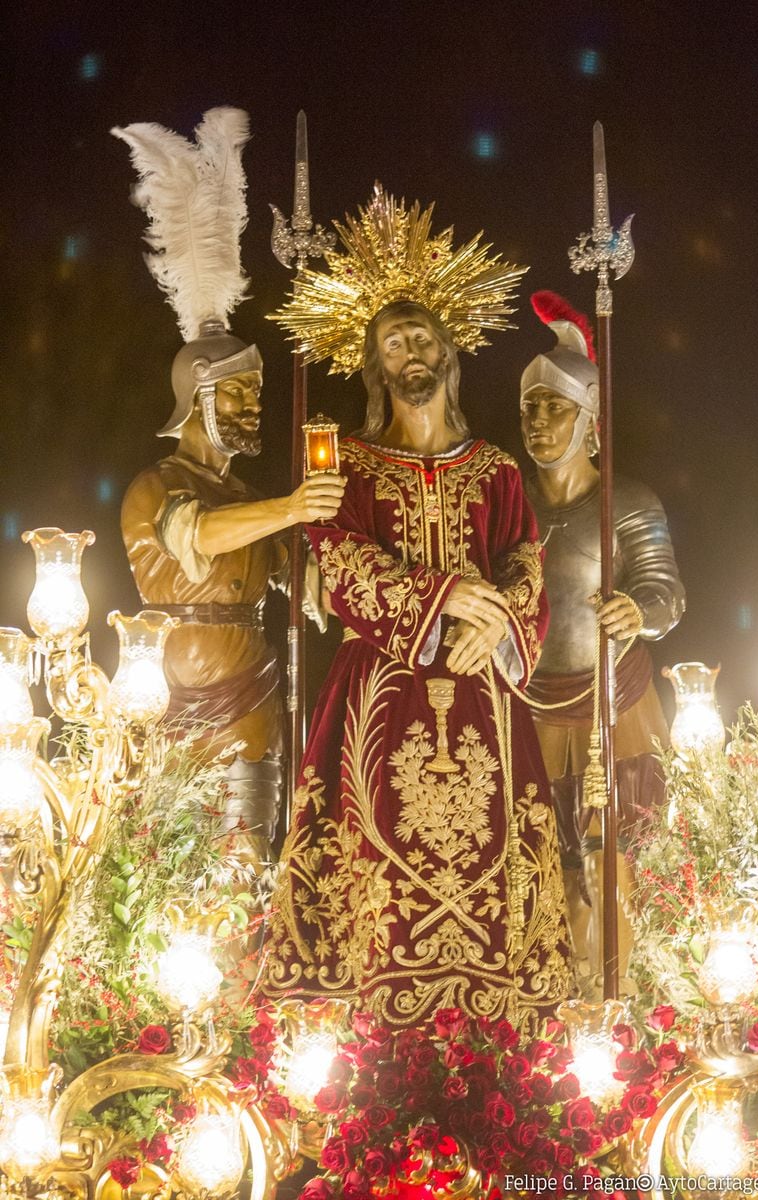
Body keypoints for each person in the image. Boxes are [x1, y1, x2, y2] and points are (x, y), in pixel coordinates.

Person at [262, 187, 573, 1030]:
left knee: (497, 859)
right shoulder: (349, 463)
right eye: (394, 340)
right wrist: (442, 599)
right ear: (377, 365)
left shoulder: (498, 468)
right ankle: (362, 1040)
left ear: (448, 355)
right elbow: (337, 554)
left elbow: (527, 565)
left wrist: (496, 621)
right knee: (370, 857)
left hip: (482, 695)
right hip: (379, 690)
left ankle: (499, 1044)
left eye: (423, 336)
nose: (411, 349)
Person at [114, 110, 344, 853]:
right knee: (169, 872)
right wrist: (289, 507)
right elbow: (198, 538)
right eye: (237, 395)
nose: (252, 407)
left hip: (253, 703)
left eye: (255, 394)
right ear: (196, 397)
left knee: (250, 864)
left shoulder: (253, 501)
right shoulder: (156, 486)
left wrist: (323, 555)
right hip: (173, 698)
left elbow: (298, 580)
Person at [520, 290, 685, 988]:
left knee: (620, 861)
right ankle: (552, 1005)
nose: (538, 421)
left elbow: (667, 591)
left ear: (590, 420)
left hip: (614, 705)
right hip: (529, 704)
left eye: (555, 408)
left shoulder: (631, 501)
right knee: (539, 863)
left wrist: (635, 612)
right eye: (529, 407)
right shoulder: (509, 505)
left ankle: (628, 997)